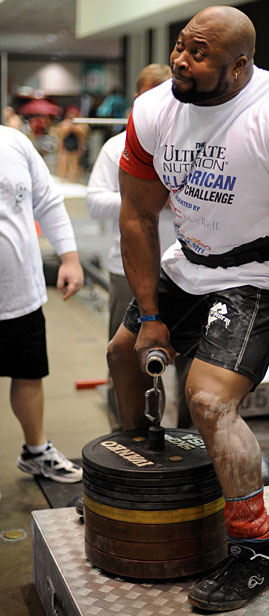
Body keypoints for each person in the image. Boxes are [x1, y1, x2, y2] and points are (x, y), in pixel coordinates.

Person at [109, 5, 269, 611]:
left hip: (263, 274)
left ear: (240, 64)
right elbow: (138, 216)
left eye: (198, 55)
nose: (180, 62)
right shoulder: (154, 110)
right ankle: (136, 485)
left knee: (210, 400)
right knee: (121, 353)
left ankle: (253, 551)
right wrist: (149, 315)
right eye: (180, 48)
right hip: (190, 259)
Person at [86, 64, 172, 430]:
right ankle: (122, 437)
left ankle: (181, 442)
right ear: (139, 99)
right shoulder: (116, 146)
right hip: (129, 273)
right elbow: (94, 202)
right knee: (124, 359)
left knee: (183, 365)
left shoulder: (188, 142)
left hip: (185, 272)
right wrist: (143, 200)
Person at [0, 125, 84, 483]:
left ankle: (35, 452)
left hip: (20, 293)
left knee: (29, 374)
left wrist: (69, 258)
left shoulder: (13, 141)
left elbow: (47, 201)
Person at [56, 107, 89, 183]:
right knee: (62, 163)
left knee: (73, 165)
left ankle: (72, 180)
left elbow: (83, 137)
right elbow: (60, 136)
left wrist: (76, 129)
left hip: (75, 146)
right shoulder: (64, 124)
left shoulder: (81, 125)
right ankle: (61, 179)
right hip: (65, 145)